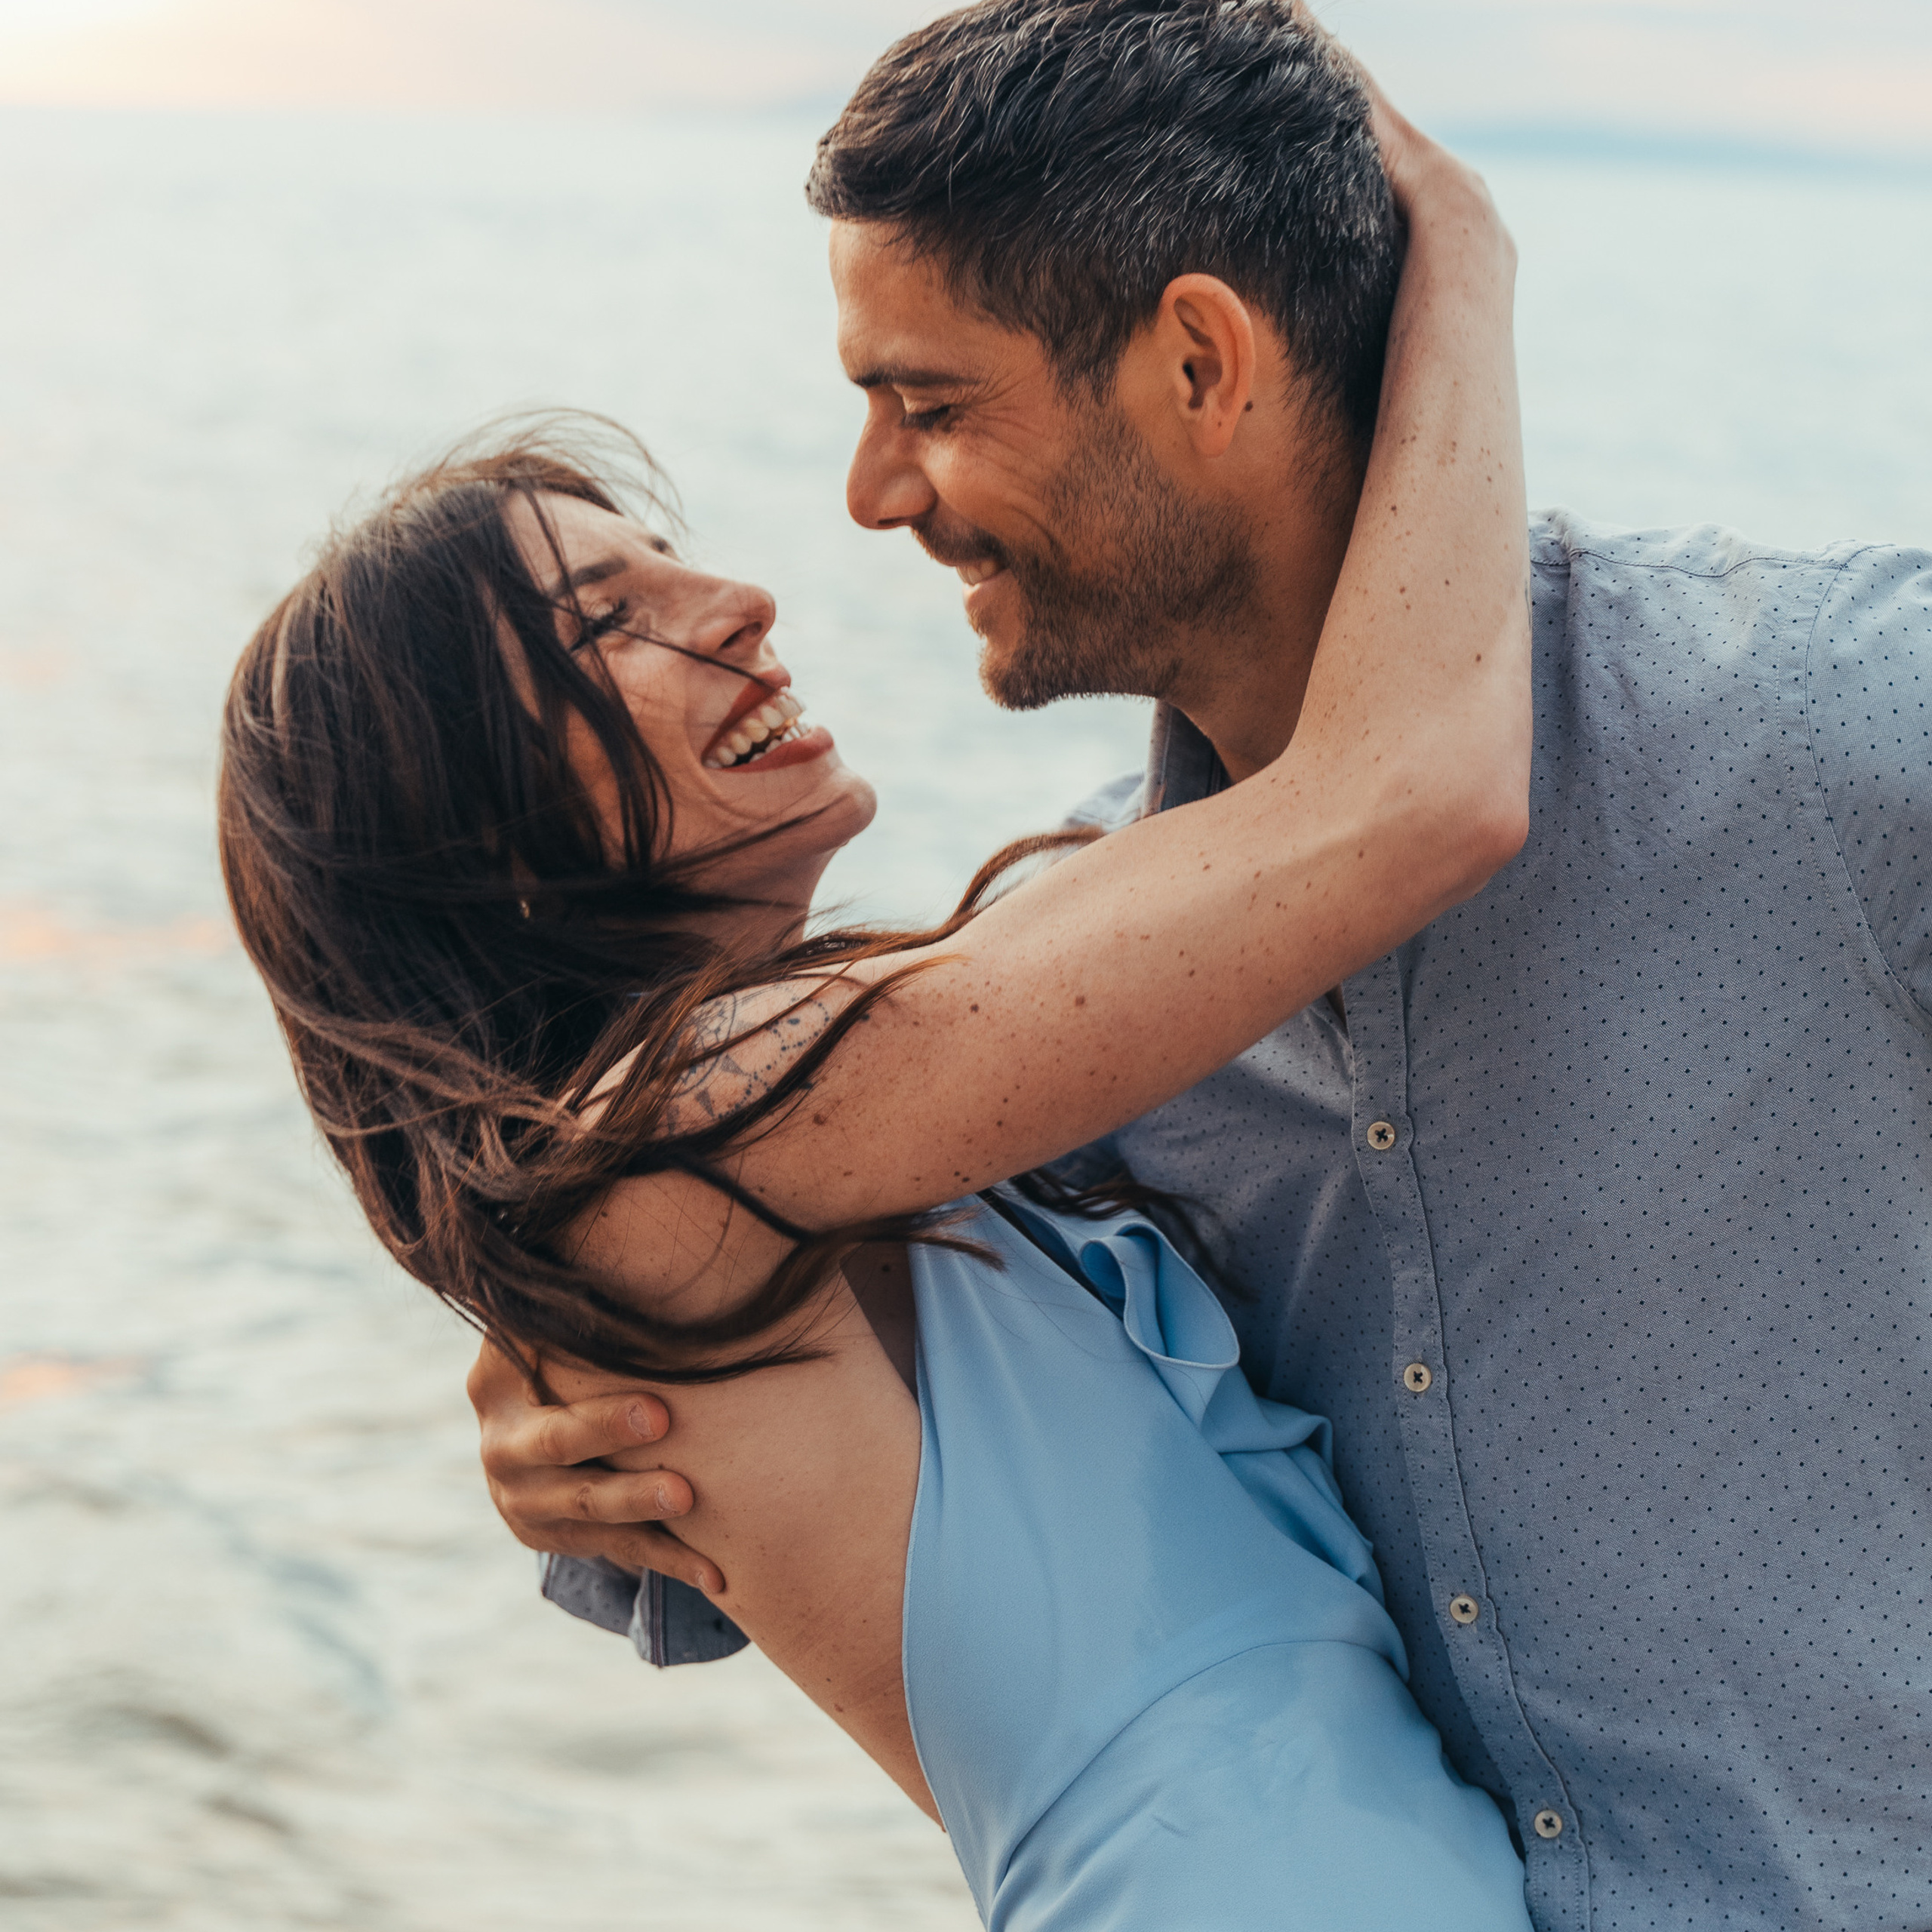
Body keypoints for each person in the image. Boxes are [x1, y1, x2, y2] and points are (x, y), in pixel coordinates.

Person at [491, 5, 1932, 1930]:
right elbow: (867, 1438)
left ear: (1195, 359)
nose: (869, 495)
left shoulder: (1819, 730)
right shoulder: (1066, 976)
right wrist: (557, 1422)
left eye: (926, 403)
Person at [219, 62, 1537, 1931]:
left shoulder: (823, 1112)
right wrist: (1460, 266)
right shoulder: (689, 1136)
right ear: (493, 840)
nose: (742, 599)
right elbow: (1414, 796)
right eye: (610, 627)